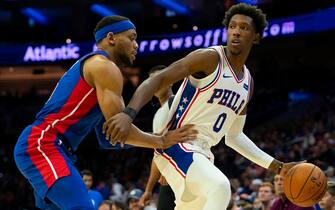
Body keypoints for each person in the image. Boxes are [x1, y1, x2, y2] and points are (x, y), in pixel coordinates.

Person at [104, 3, 302, 210]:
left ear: (256, 37)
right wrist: (128, 114)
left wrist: (277, 166)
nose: (235, 32)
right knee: (220, 187)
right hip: (176, 144)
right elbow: (158, 79)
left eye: (243, 28)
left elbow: (234, 136)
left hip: (204, 153)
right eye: (232, 26)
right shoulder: (210, 58)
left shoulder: (247, 83)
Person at [13, 15, 196, 210]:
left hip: (50, 146)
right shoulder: (104, 66)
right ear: (111, 38)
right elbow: (122, 130)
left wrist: (149, 144)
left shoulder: (95, 68)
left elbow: (109, 138)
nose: (136, 45)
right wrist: (161, 140)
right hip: (44, 144)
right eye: (132, 37)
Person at [139, 65, 176, 210]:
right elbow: (158, 153)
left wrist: (172, 166)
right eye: (152, 81)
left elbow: (187, 139)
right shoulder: (160, 114)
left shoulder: (177, 104)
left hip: (180, 173)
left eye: (160, 79)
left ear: (171, 80)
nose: (155, 83)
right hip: (172, 174)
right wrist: (149, 189)